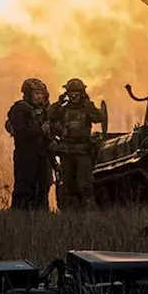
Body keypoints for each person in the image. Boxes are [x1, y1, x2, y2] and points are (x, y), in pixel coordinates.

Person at [47, 78, 107, 210]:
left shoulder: (87, 109)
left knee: (85, 185)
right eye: (71, 92)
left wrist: (88, 104)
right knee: (68, 186)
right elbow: (49, 115)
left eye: (77, 92)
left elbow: (100, 118)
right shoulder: (62, 110)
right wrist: (59, 102)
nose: (74, 96)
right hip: (66, 152)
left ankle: (88, 213)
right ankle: (70, 214)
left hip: (83, 153)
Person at [5, 78, 53, 211]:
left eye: (41, 93)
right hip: (26, 155)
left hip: (43, 154)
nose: (40, 96)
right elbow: (20, 132)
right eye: (36, 93)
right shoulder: (19, 109)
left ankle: (41, 217)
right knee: (24, 188)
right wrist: (40, 130)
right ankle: (20, 217)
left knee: (44, 187)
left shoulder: (46, 110)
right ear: (28, 94)